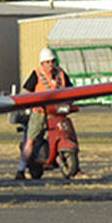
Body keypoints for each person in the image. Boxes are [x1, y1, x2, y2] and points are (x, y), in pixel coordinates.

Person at [17, 47, 67, 179]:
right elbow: (25, 93)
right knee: (30, 140)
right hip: (39, 113)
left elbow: (71, 89)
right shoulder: (36, 74)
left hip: (56, 113)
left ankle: (71, 165)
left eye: (53, 61)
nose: (51, 64)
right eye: (48, 62)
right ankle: (21, 170)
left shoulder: (61, 74)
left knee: (64, 136)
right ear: (42, 64)